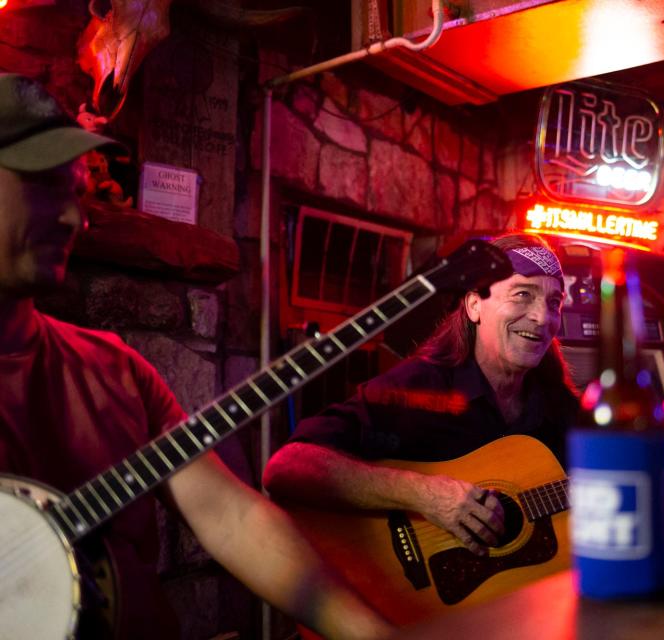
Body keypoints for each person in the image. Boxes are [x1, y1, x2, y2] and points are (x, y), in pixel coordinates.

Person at [0, 73, 387, 640]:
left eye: (77, 193)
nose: (74, 219)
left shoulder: (116, 369)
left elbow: (230, 517)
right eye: (44, 187)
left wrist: (372, 633)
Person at [263, 233, 579, 555]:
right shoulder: (420, 388)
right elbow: (286, 467)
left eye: (554, 302)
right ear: (474, 306)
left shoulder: (563, 412)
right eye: (522, 294)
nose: (543, 317)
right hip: (408, 598)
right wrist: (423, 495)